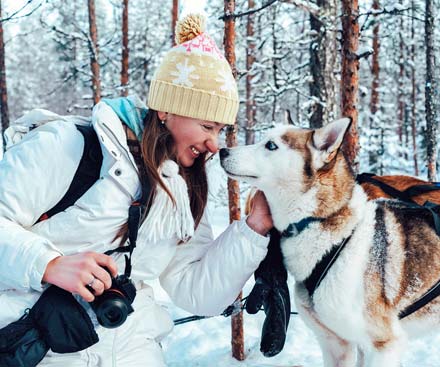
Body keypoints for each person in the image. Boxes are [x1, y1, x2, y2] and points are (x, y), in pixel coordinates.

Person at [0, 13, 272, 366]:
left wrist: (255, 229)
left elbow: (194, 290)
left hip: (132, 345)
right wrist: (47, 263)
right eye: (207, 125)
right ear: (167, 110)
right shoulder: (71, 146)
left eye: (220, 129)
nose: (213, 143)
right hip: (40, 344)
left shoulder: (185, 187)